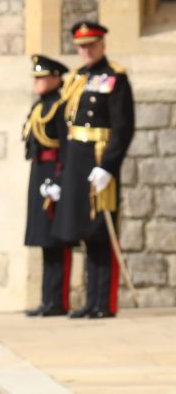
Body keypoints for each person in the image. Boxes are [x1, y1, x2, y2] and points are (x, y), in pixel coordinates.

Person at [52, 21, 135, 319]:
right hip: (76, 159)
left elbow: (123, 127)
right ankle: (90, 301)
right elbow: (65, 121)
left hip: (100, 159)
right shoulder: (76, 77)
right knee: (84, 231)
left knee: (101, 229)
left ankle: (104, 302)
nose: (86, 50)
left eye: (91, 45)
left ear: (102, 44)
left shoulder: (115, 77)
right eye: (81, 46)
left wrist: (108, 166)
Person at [23, 54, 72, 316]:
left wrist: (59, 180)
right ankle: (48, 300)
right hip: (39, 172)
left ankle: (59, 300)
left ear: (56, 78)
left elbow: (66, 148)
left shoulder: (61, 106)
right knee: (44, 239)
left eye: (42, 77)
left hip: (54, 173)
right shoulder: (40, 106)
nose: (37, 81)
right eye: (36, 77)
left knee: (57, 240)